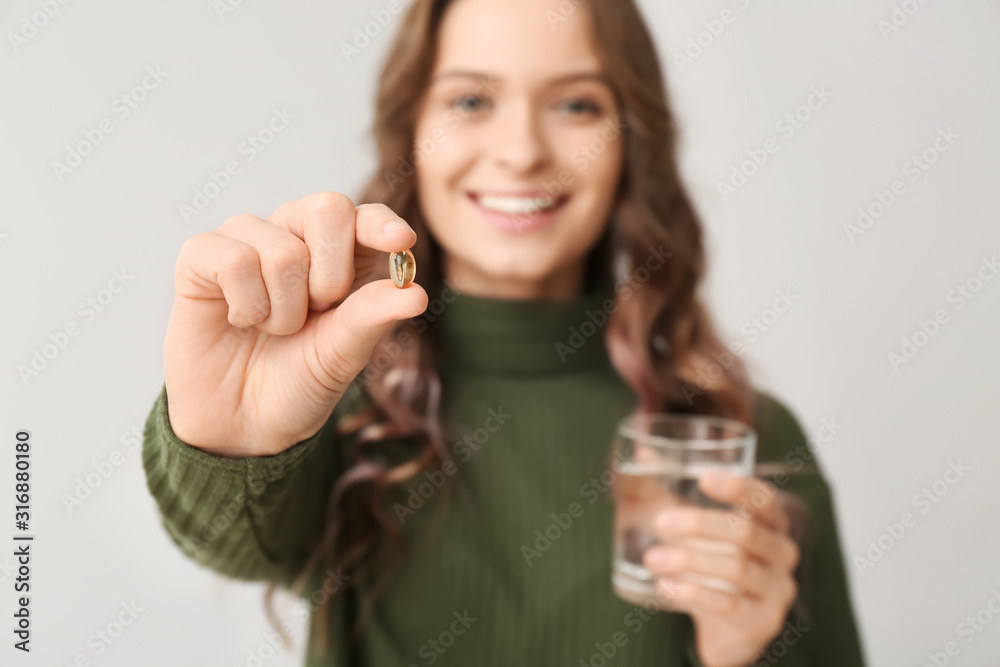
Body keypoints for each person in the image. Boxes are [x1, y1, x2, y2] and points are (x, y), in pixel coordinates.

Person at [141, 0, 867, 665]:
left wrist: (748, 652)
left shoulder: (746, 442)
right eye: (470, 99)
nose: (522, 150)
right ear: (412, 132)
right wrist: (230, 440)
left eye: (577, 104)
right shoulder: (337, 409)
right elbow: (232, 537)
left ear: (630, 143)